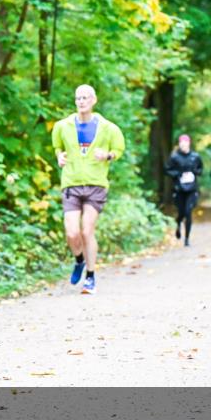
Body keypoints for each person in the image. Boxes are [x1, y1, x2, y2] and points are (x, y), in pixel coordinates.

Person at [51, 84, 126, 295]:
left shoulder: (108, 128)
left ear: (94, 100)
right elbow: (58, 146)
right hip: (72, 183)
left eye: (85, 98)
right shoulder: (62, 126)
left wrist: (107, 156)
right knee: (72, 233)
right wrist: (59, 155)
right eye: (77, 98)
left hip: (96, 184)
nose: (81, 101)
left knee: (86, 231)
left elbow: (118, 149)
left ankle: (91, 277)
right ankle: (79, 260)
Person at [165, 134, 203, 246]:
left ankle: (187, 239)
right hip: (179, 189)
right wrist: (178, 174)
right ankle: (178, 224)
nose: (183, 145)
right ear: (179, 144)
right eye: (181, 143)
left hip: (192, 189)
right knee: (181, 213)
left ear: (189, 144)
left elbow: (201, 169)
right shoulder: (174, 157)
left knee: (188, 212)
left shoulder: (195, 156)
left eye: (185, 143)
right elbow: (167, 170)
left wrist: (195, 171)